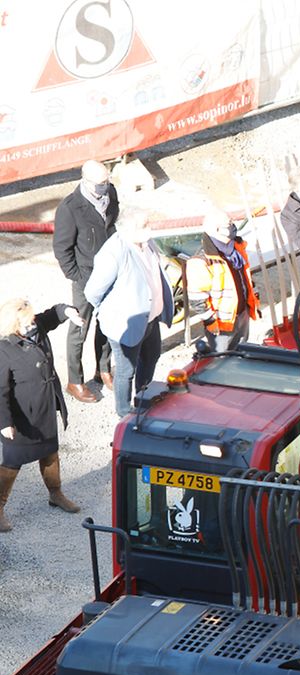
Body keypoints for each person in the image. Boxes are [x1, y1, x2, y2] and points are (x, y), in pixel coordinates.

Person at [0, 298, 85, 532]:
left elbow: (54, 313)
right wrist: (4, 422)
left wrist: (68, 311)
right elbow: (0, 391)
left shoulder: (36, 326)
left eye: (32, 320)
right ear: (14, 325)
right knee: (13, 461)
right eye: (27, 323)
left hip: (44, 406)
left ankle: (55, 494)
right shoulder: (4, 349)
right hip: (22, 416)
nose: (33, 325)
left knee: (50, 451)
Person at [84, 210, 175, 417]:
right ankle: (124, 413)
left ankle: (143, 399)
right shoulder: (113, 253)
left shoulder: (147, 243)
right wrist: (111, 312)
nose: (148, 229)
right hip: (127, 324)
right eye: (143, 226)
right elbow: (92, 292)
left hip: (150, 320)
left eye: (148, 224)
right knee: (126, 371)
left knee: (151, 357)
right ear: (126, 229)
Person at [52, 159, 119, 403]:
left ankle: (103, 369)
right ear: (86, 180)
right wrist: (78, 278)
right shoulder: (70, 208)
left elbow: (111, 224)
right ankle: (74, 381)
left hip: (109, 271)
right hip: (85, 277)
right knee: (79, 327)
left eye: (107, 181)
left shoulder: (110, 193)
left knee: (107, 322)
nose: (105, 186)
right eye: (101, 183)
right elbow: (62, 249)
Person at [186, 209, 260, 352]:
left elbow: (246, 277)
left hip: (242, 314)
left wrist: (253, 301)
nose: (233, 226)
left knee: (240, 356)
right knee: (221, 361)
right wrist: (210, 322)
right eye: (229, 224)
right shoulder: (201, 261)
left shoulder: (237, 248)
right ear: (216, 229)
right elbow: (197, 299)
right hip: (222, 325)